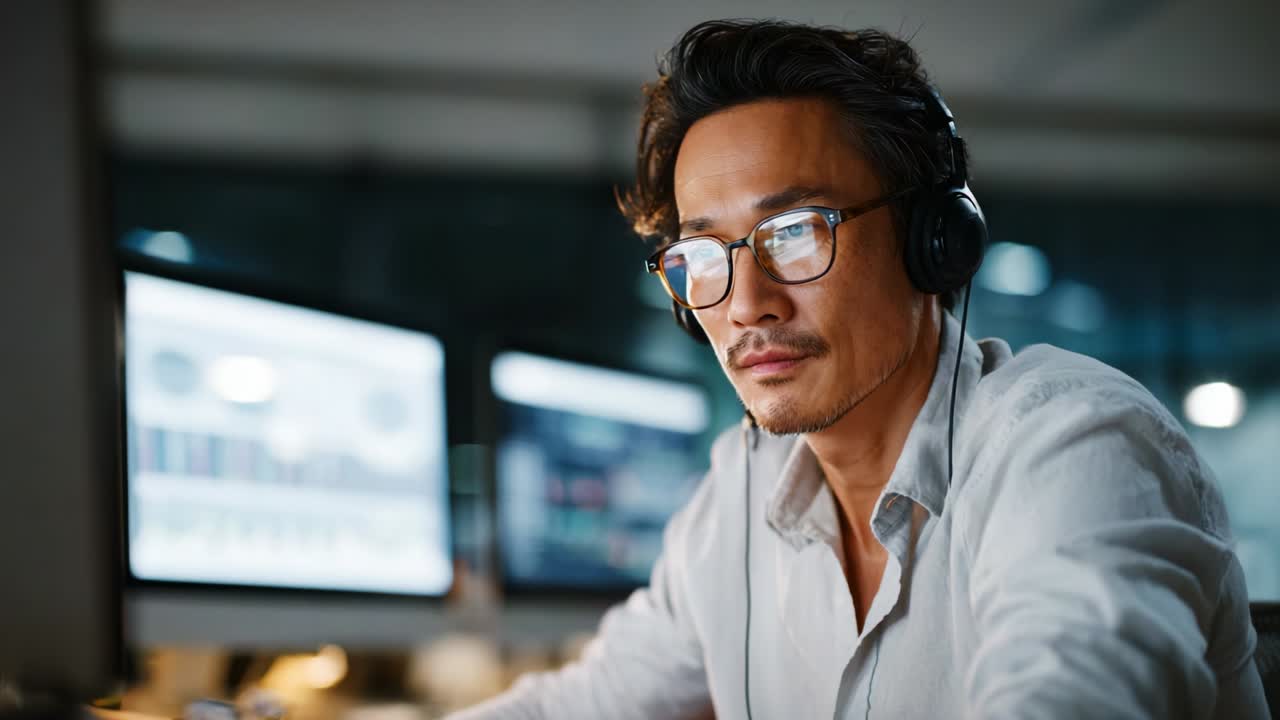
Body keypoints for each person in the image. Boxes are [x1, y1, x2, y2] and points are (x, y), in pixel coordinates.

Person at [452, 19, 1270, 719]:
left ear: (931, 243)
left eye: (795, 232)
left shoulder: (1076, 447)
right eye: (703, 255)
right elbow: (585, 702)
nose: (746, 304)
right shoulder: (739, 493)